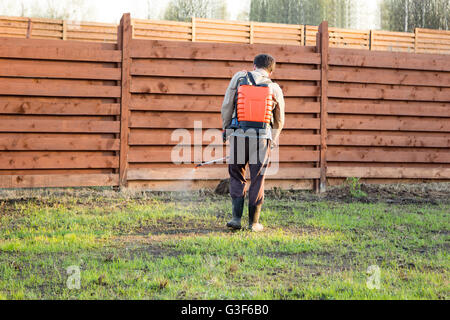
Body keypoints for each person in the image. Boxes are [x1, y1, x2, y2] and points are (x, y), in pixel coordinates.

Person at [221, 54, 285, 232]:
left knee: (237, 175)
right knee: (257, 178)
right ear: (270, 71)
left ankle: (236, 218)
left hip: (239, 136)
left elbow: (227, 105)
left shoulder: (239, 78)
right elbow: (279, 120)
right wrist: (272, 138)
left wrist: (226, 129)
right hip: (262, 138)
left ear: (254, 65)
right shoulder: (274, 87)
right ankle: (254, 223)